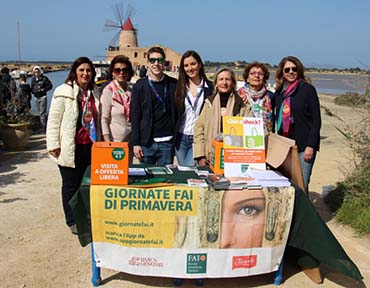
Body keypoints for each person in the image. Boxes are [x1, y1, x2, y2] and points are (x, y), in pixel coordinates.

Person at [46, 57, 101, 233]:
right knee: (70, 185)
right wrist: (53, 144)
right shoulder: (63, 91)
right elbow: (53, 120)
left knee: (87, 184)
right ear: (75, 72)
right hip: (70, 145)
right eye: (81, 70)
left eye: (88, 70)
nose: (85, 73)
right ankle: (72, 220)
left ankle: (86, 216)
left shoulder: (95, 92)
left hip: (90, 145)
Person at [274, 56, 321, 192]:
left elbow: (316, 120)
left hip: (304, 146)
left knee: (301, 184)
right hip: (286, 147)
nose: (290, 72)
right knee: (289, 184)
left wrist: (311, 146)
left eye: (294, 69)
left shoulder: (307, 90)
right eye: (287, 69)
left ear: (299, 70)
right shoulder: (279, 94)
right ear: (282, 73)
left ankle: (304, 213)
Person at [131, 46, 177, 165]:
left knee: (166, 180)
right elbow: (135, 116)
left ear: (164, 63)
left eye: (160, 60)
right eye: (152, 60)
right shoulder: (139, 86)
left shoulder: (173, 84)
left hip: (167, 143)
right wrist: (135, 143)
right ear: (148, 63)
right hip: (147, 144)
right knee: (147, 181)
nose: (156, 64)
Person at [193, 68, 247, 166]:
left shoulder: (241, 104)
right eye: (221, 79)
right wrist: (200, 156)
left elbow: (248, 128)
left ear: (233, 83)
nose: (224, 82)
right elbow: (199, 128)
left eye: (228, 79)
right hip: (210, 157)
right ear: (216, 84)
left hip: (233, 157)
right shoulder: (209, 103)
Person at [174, 50, 214, 166]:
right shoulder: (179, 87)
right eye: (186, 65)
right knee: (183, 171)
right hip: (181, 138)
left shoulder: (210, 88)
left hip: (198, 139)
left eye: (193, 64)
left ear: (199, 65)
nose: (190, 68)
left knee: (188, 169)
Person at [100, 55, 134, 163]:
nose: (121, 73)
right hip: (114, 142)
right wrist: (107, 140)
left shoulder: (131, 91)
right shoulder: (108, 91)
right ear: (112, 72)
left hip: (129, 142)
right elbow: (104, 118)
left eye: (125, 70)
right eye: (117, 70)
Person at [237, 62, 274, 132]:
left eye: (261, 74)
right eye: (252, 73)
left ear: (264, 79)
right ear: (247, 78)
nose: (256, 76)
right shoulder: (238, 96)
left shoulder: (271, 96)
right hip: (242, 135)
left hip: (266, 137)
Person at [31, 66, 53, 132]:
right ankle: (41, 127)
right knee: (39, 112)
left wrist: (43, 89)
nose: (36, 74)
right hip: (36, 97)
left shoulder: (44, 78)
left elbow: (50, 86)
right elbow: (32, 87)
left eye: (37, 72)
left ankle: (43, 128)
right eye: (35, 72)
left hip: (43, 97)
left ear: (40, 72)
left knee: (42, 113)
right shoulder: (33, 79)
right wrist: (33, 91)